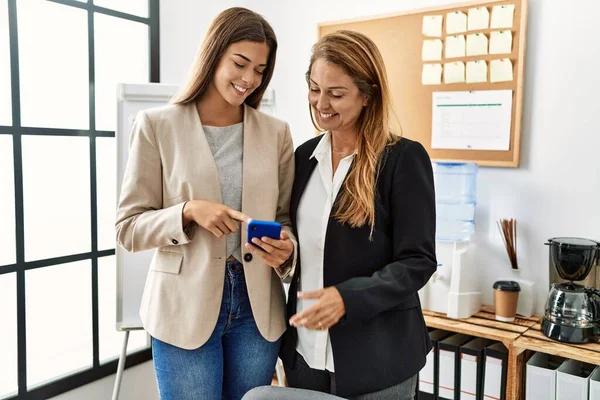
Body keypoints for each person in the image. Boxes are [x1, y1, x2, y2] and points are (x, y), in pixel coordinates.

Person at [115, 7, 297, 400]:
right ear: (214, 53)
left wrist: (286, 247)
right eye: (240, 63)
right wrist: (187, 212)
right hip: (183, 306)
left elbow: (284, 219)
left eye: (261, 70)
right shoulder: (156, 125)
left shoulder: (277, 133)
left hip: (257, 308)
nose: (249, 78)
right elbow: (128, 227)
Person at [279, 30, 437, 400]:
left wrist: (348, 298)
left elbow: (418, 261)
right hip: (305, 353)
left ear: (367, 96)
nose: (321, 103)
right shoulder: (303, 159)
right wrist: (285, 256)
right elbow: (311, 252)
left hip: (379, 359)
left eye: (336, 94)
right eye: (314, 88)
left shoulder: (402, 160)